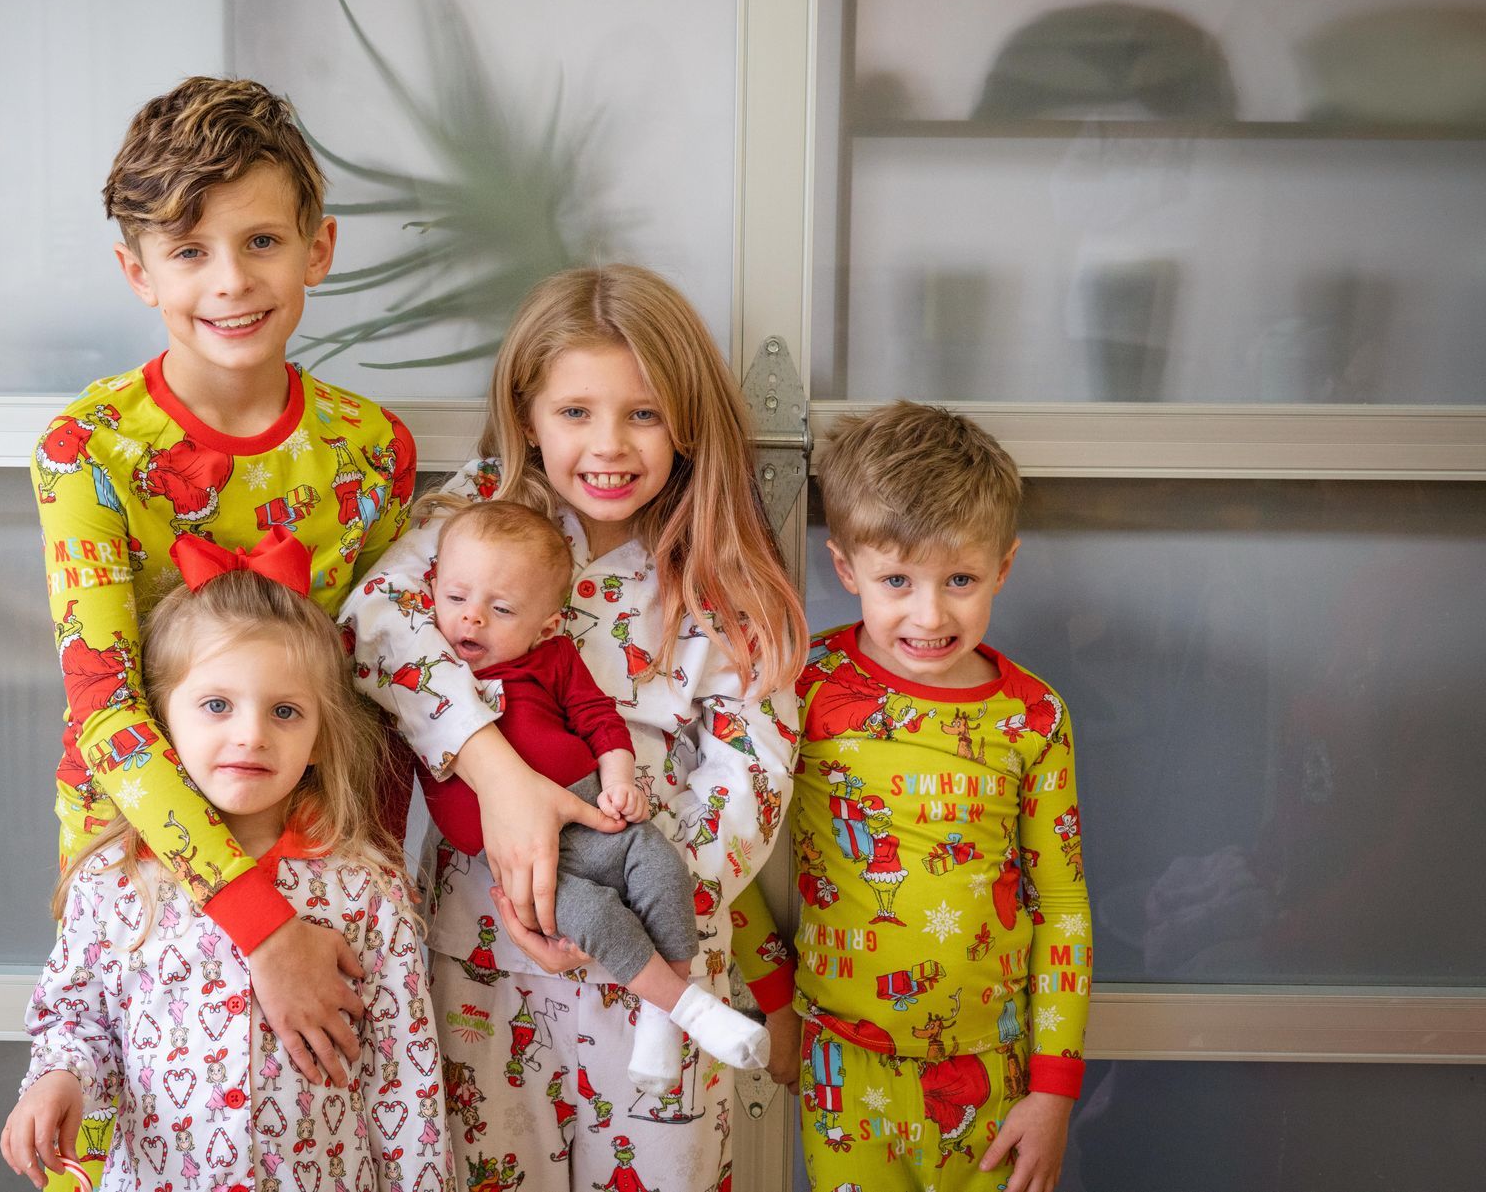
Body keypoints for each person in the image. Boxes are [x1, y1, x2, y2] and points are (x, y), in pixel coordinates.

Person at [340, 264, 805, 1190]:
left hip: (658, 969)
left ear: (686, 422)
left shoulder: (714, 568)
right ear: (527, 413)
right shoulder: (472, 515)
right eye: (576, 412)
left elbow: (753, 764)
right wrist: (497, 774)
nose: (610, 445)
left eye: (643, 413)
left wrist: (657, 892)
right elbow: (372, 623)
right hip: (488, 943)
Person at [32, 77, 419, 1149]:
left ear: (318, 248)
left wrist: (344, 900)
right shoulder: (88, 450)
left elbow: (376, 691)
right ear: (137, 270)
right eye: (190, 251)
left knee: (318, 1134)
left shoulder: (369, 453)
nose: (231, 281)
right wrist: (261, 926)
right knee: (146, 1133)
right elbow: (106, 710)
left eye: (260, 242)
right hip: (142, 866)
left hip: (322, 864)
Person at [1, 560, 449, 1191]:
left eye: (286, 712)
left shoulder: (367, 889)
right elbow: (77, 1019)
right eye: (216, 704)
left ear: (322, 736)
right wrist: (58, 1079)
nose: (251, 734)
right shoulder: (114, 880)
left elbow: (407, 1077)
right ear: (161, 721)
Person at [754, 401, 1094, 1192]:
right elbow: (728, 855)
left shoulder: (1033, 716)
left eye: (961, 579)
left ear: (1002, 569)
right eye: (897, 579)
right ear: (846, 569)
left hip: (996, 1071)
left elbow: (1064, 903)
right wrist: (775, 1002)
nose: (929, 614)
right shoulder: (803, 686)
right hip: (843, 1065)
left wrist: (1053, 1090)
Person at [416, 496, 771, 1091]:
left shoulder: (549, 658)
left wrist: (619, 780)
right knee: (591, 914)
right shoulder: (430, 671)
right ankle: (686, 1008)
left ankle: (662, 1017)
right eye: (455, 600)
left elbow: (598, 718)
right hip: (522, 862)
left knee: (661, 866)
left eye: (500, 609)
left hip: (595, 817)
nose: (471, 619)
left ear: (546, 625)